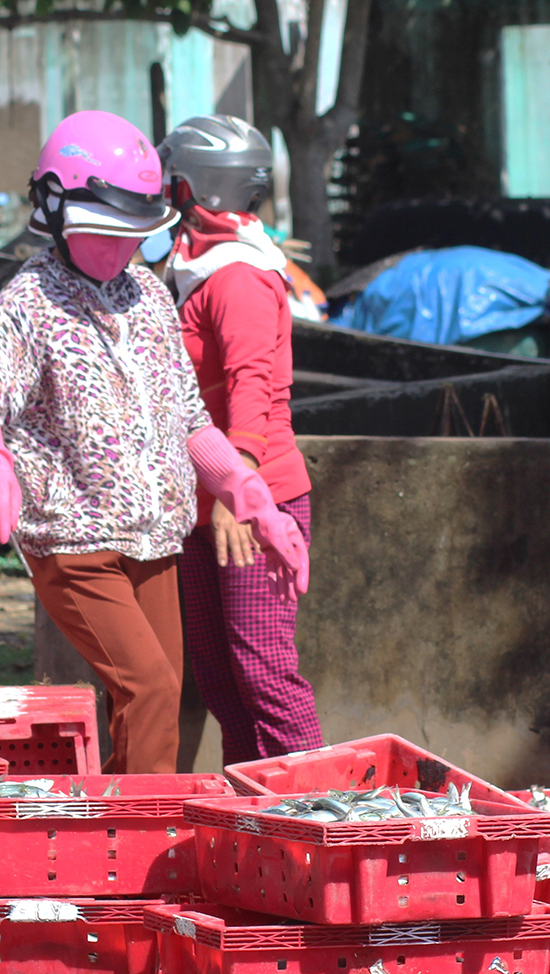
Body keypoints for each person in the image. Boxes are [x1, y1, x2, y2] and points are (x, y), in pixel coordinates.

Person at [0, 110, 308, 774]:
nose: (118, 251)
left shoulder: (147, 294)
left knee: (155, 706)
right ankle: (149, 856)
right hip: (74, 539)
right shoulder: (28, 304)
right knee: (149, 689)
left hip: (155, 535)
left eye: (132, 236)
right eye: (104, 234)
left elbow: (191, 420)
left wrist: (254, 499)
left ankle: (111, 832)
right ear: (54, 209)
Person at [158, 114, 324, 766]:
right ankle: (252, 810)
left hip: (252, 502)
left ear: (197, 188)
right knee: (222, 679)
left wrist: (238, 490)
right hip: (200, 506)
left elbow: (254, 386)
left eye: (172, 185)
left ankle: (313, 807)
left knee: (264, 673)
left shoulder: (239, 276)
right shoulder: (194, 263)